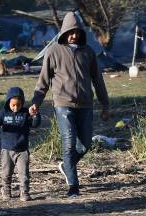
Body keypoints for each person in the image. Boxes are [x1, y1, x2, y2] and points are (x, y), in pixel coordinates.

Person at [29, 12, 109, 198]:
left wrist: (105, 105)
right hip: (63, 103)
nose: (74, 35)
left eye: (77, 31)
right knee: (69, 143)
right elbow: (43, 81)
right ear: (64, 31)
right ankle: (73, 186)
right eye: (70, 31)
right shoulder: (53, 51)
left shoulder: (88, 52)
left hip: (85, 105)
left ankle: (67, 166)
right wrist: (35, 103)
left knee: (86, 144)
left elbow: (98, 80)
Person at [0, 87, 41, 201]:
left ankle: (24, 192)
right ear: (8, 102)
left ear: (22, 103)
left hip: (22, 150)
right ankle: (6, 190)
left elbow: (35, 124)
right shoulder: (3, 113)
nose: (15, 107)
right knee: (6, 173)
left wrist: (35, 115)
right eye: (13, 105)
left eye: (18, 105)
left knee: (23, 173)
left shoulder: (25, 113)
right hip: (7, 149)